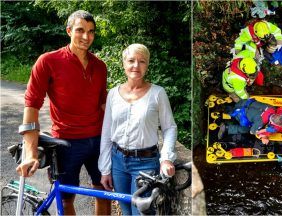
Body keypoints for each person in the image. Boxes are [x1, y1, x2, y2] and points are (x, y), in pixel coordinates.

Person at [15, 10, 111, 215]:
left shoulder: (100, 66)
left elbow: (104, 105)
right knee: (66, 198)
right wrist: (30, 153)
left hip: (99, 140)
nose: (86, 37)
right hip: (67, 142)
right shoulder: (48, 61)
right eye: (80, 30)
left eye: (91, 31)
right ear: (69, 31)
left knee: (104, 191)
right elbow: (31, 105)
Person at [98, 44, 177, 215]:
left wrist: (166, 158)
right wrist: (105, 169)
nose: (136, 66)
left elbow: (169, 128)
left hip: (145, 163)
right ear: (124, 63)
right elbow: (106, 133)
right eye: (131, 60)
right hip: (118, 162)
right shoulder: (113, 93)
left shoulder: (158, 93)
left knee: (141, 213)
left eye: (142, 62)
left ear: (147, 66)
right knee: (126, 210)